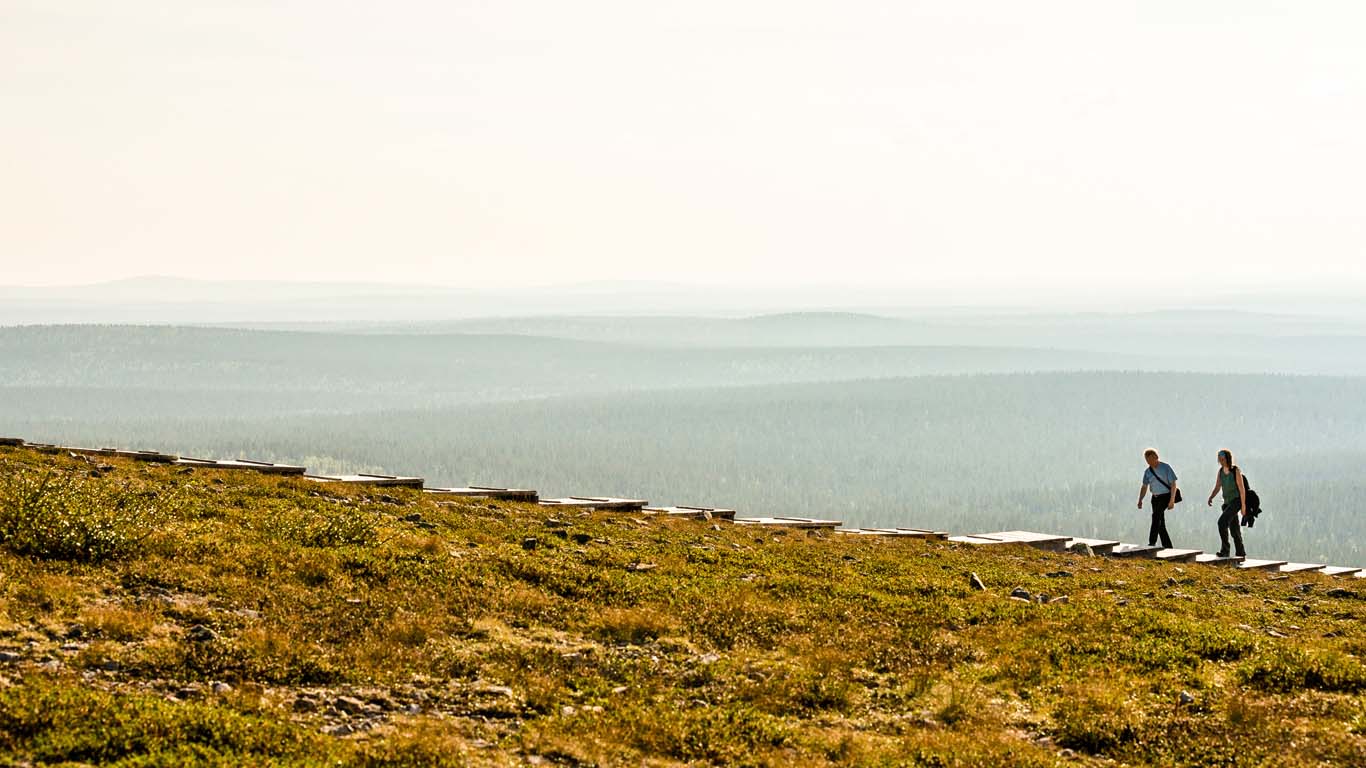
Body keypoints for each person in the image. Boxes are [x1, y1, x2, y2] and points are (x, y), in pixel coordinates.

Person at [1206, 449, 1248, 558]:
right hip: (1227, 502)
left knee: (1222, 522)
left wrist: (1243, 506)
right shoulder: (1220, 472)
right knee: (1234, 529)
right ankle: (1240, 553)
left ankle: (1225, 550)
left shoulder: (1235, 470)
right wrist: (1211, 497)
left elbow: (1241, 489)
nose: (1220, 461)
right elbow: (1218, 486)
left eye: (1222, 459)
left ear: (1227, 458)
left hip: (1236, 501)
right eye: (1219, 459)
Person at [1137, 448, 1178, 549]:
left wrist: (1172, 500)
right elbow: (1144, 486)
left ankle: (1152, 542)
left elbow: (1173, 484)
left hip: (1166, 496)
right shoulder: (1148, 472)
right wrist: (1140, 499)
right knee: (1160, 523)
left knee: (1155, 516)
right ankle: (1168, 546)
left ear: (1156, 457)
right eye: (1147, 460)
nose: (1149, 462)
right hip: (1155, 498)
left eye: (1151, 460)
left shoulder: (1165, 467)